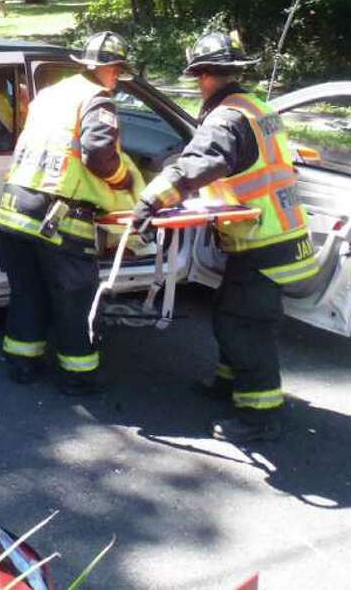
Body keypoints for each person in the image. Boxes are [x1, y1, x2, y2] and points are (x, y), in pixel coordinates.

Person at [132, 32, 317, 443]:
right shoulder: (257, 108)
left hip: (262, 241)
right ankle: (230, 383)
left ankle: (260, 414)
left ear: (204, 76)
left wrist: (151, 199)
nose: (199, 86)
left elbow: (201, 164)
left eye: (198, 79)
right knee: (233, 315)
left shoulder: (226, 118)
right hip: (274, 234)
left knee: (245, 326)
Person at [0, 31, 140, 393]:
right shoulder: (96, 99)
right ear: (110, 68)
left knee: (28, 292)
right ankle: (77, 377)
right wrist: (124, 181)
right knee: (74, 300)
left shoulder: (51, 95)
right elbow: (98, 154)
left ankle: (21, 364)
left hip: (15, 208)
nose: (117, 80)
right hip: (58, 218)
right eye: (118, 72)